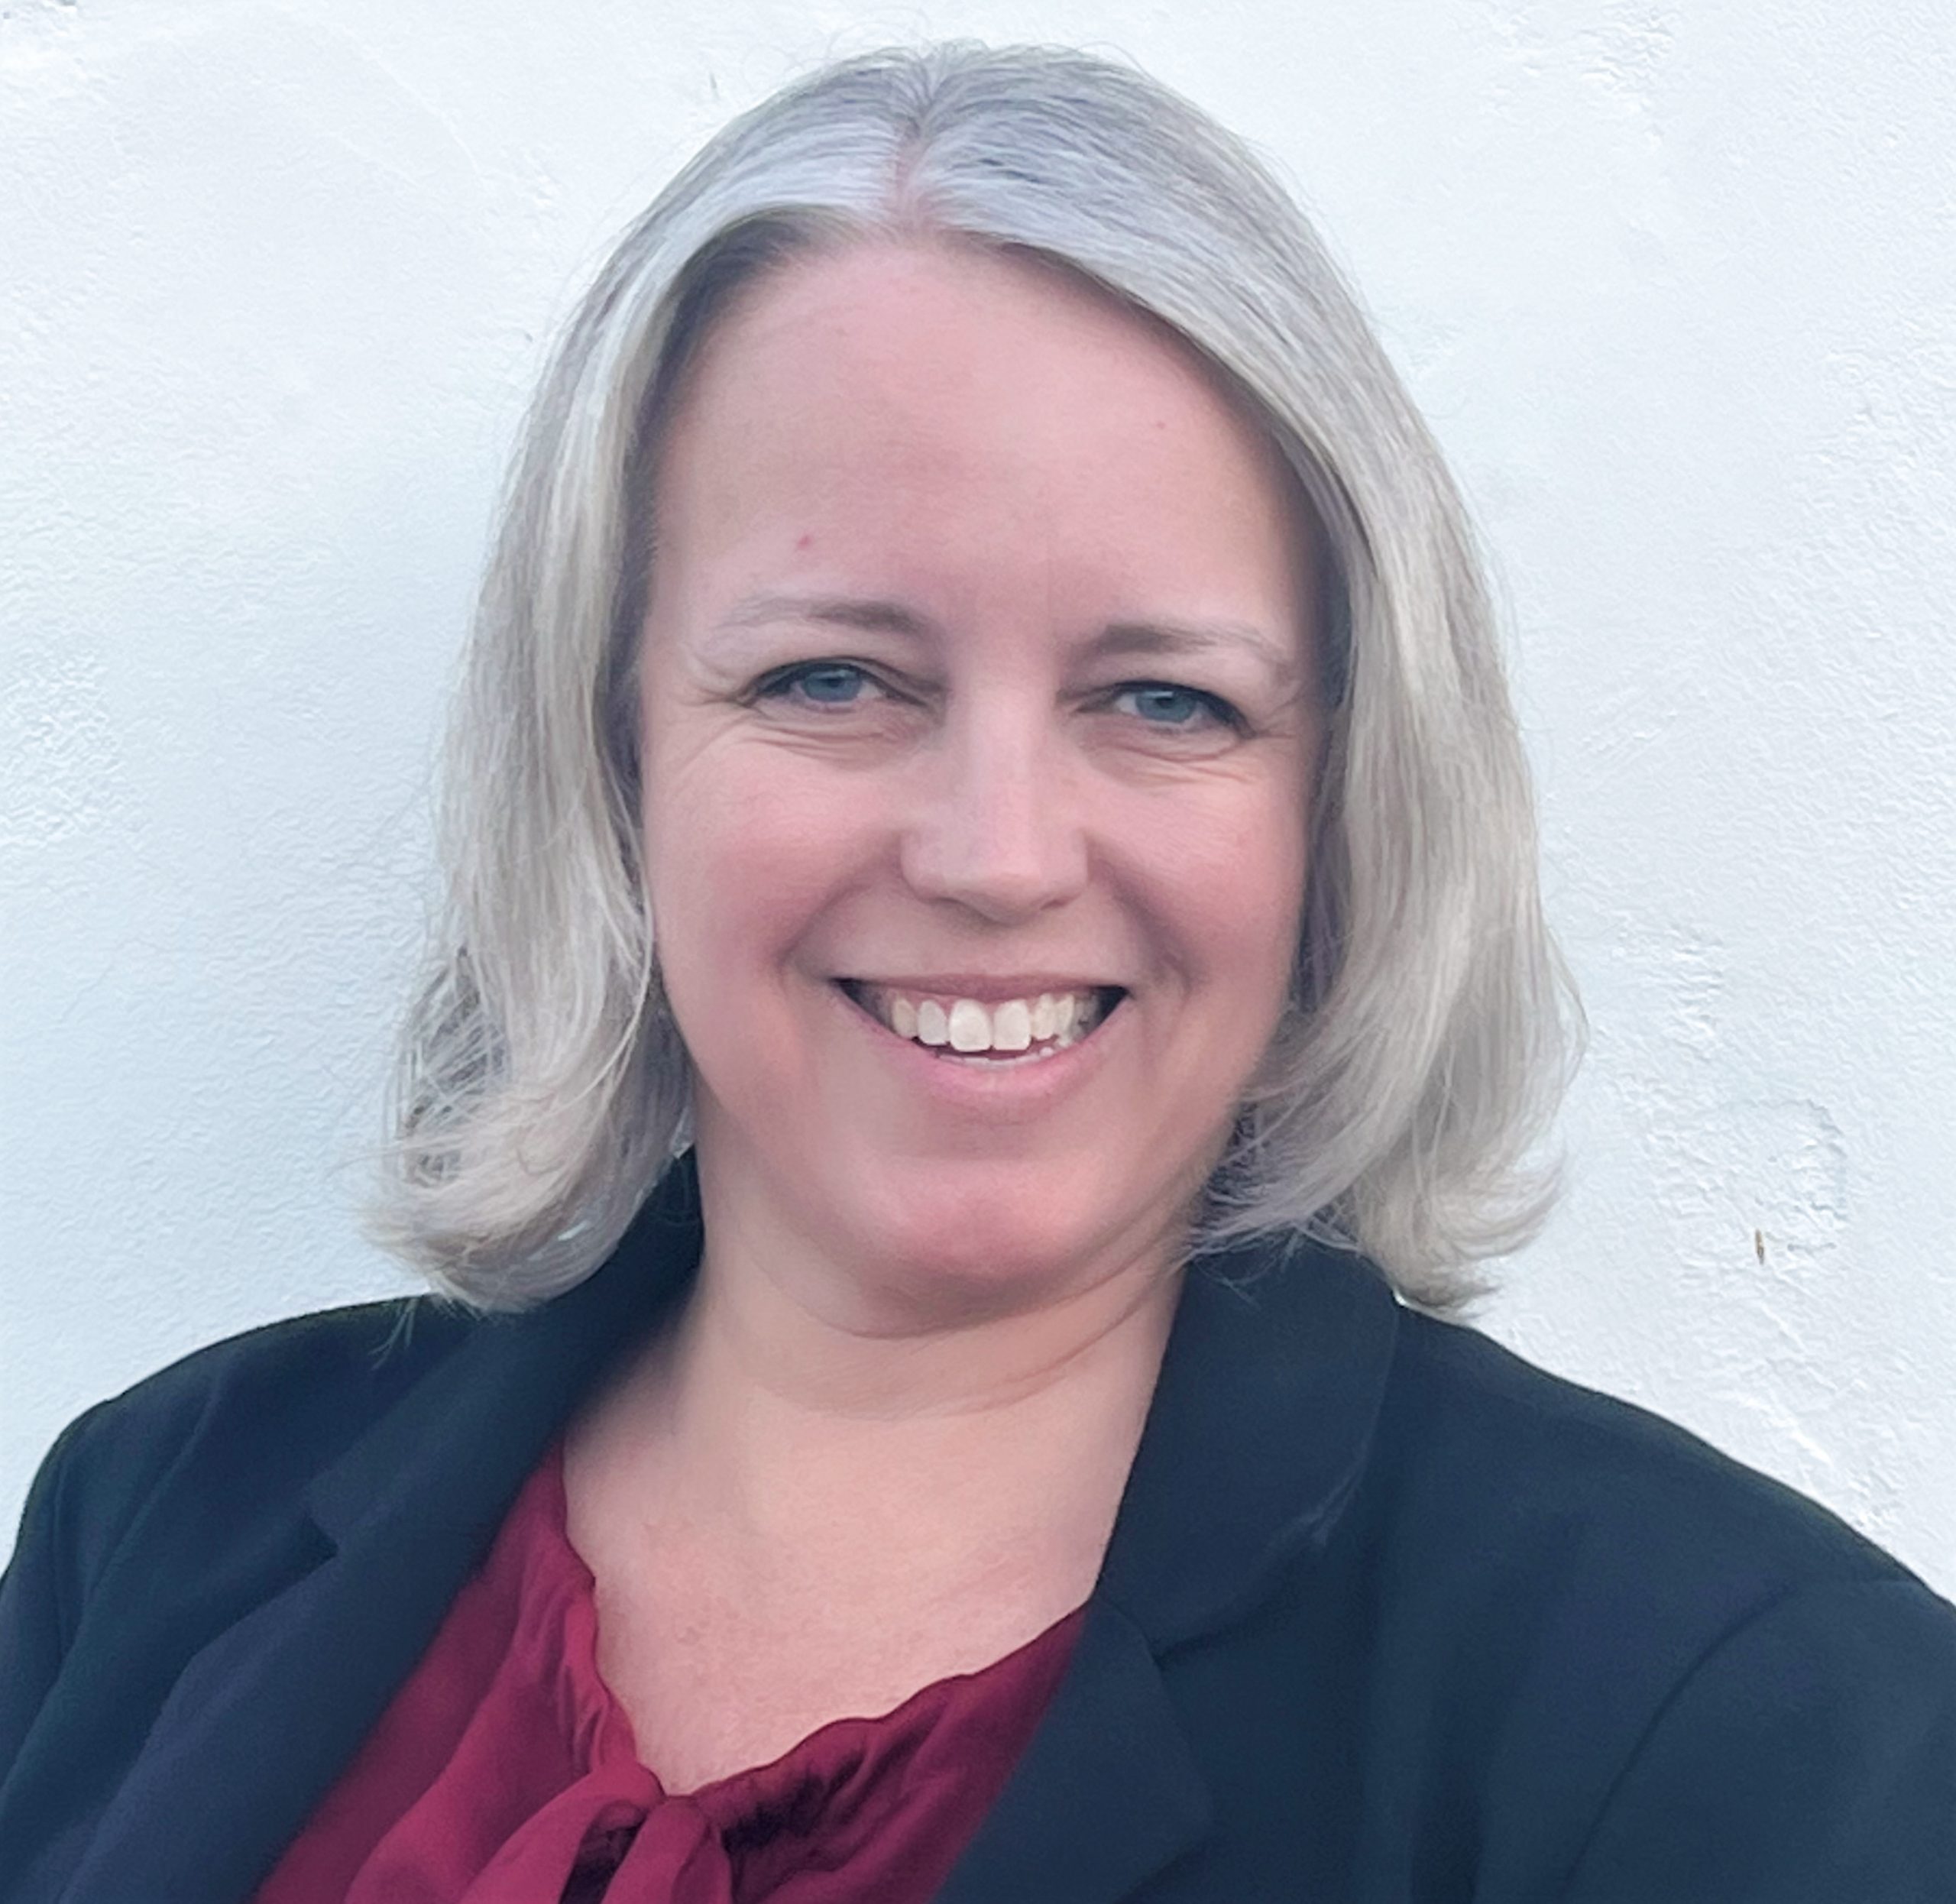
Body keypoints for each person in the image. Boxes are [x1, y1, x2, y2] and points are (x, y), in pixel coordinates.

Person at [2, 39, 1951, 1904]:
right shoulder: (158, 1516)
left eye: (1163, 698)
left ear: (1335, 805)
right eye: (829, 678)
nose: (995, 855)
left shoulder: (1744, 1735)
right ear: (612, 753)